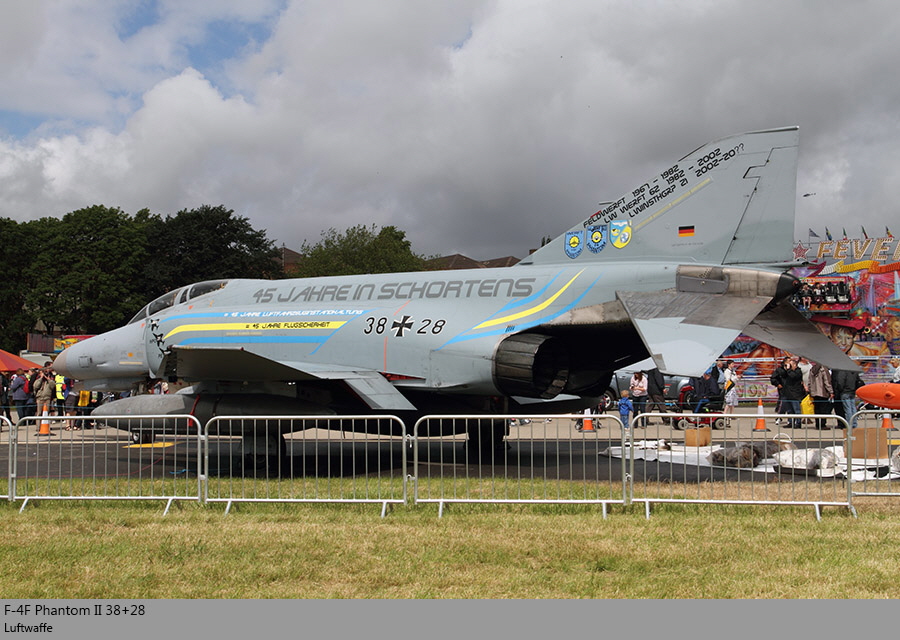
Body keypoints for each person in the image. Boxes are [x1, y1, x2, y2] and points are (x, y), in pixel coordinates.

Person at [780, 358, 806, 428]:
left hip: (795, 394)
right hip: (788, 393)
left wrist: (789, 369)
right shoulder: (788, 371)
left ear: (795, 365)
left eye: (791, 365)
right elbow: (782, 375)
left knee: (796, 410)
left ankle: (798, 423)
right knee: (789, 410)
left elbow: (793, 376)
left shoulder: (798, 371)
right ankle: (790, 422)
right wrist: (785, 368)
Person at [807, 362, 834, 429]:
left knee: (817, 409)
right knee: (823, 409)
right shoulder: (823, 369)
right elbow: (827, 381)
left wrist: (810, 391)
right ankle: (822, 424)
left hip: (814, 392)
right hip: (822, 392)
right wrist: (831, 391)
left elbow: (809, 381)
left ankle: (817, 424)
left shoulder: (812, 369)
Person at [770, 357, 791, 426]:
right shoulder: (779, 370)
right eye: (788, 361)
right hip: (783, 390)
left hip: (791, 390)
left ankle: (790, 420)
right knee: (783, 404)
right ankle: (779, 417)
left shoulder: (792, 370)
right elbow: (773, 378)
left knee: (791, 405)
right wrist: (777, 384)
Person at [722, 361, 739, 426]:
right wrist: (736, 378)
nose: (733, 365)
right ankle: (724, 414)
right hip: (729, 388)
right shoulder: (727, 371)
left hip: (733, 387)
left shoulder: (733, 371)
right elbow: (728, 379)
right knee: (728, 402)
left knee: (733, 402)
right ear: (729, 364)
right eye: (732, 364)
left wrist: (737, 377)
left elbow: (735, 378)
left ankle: (731, 415)